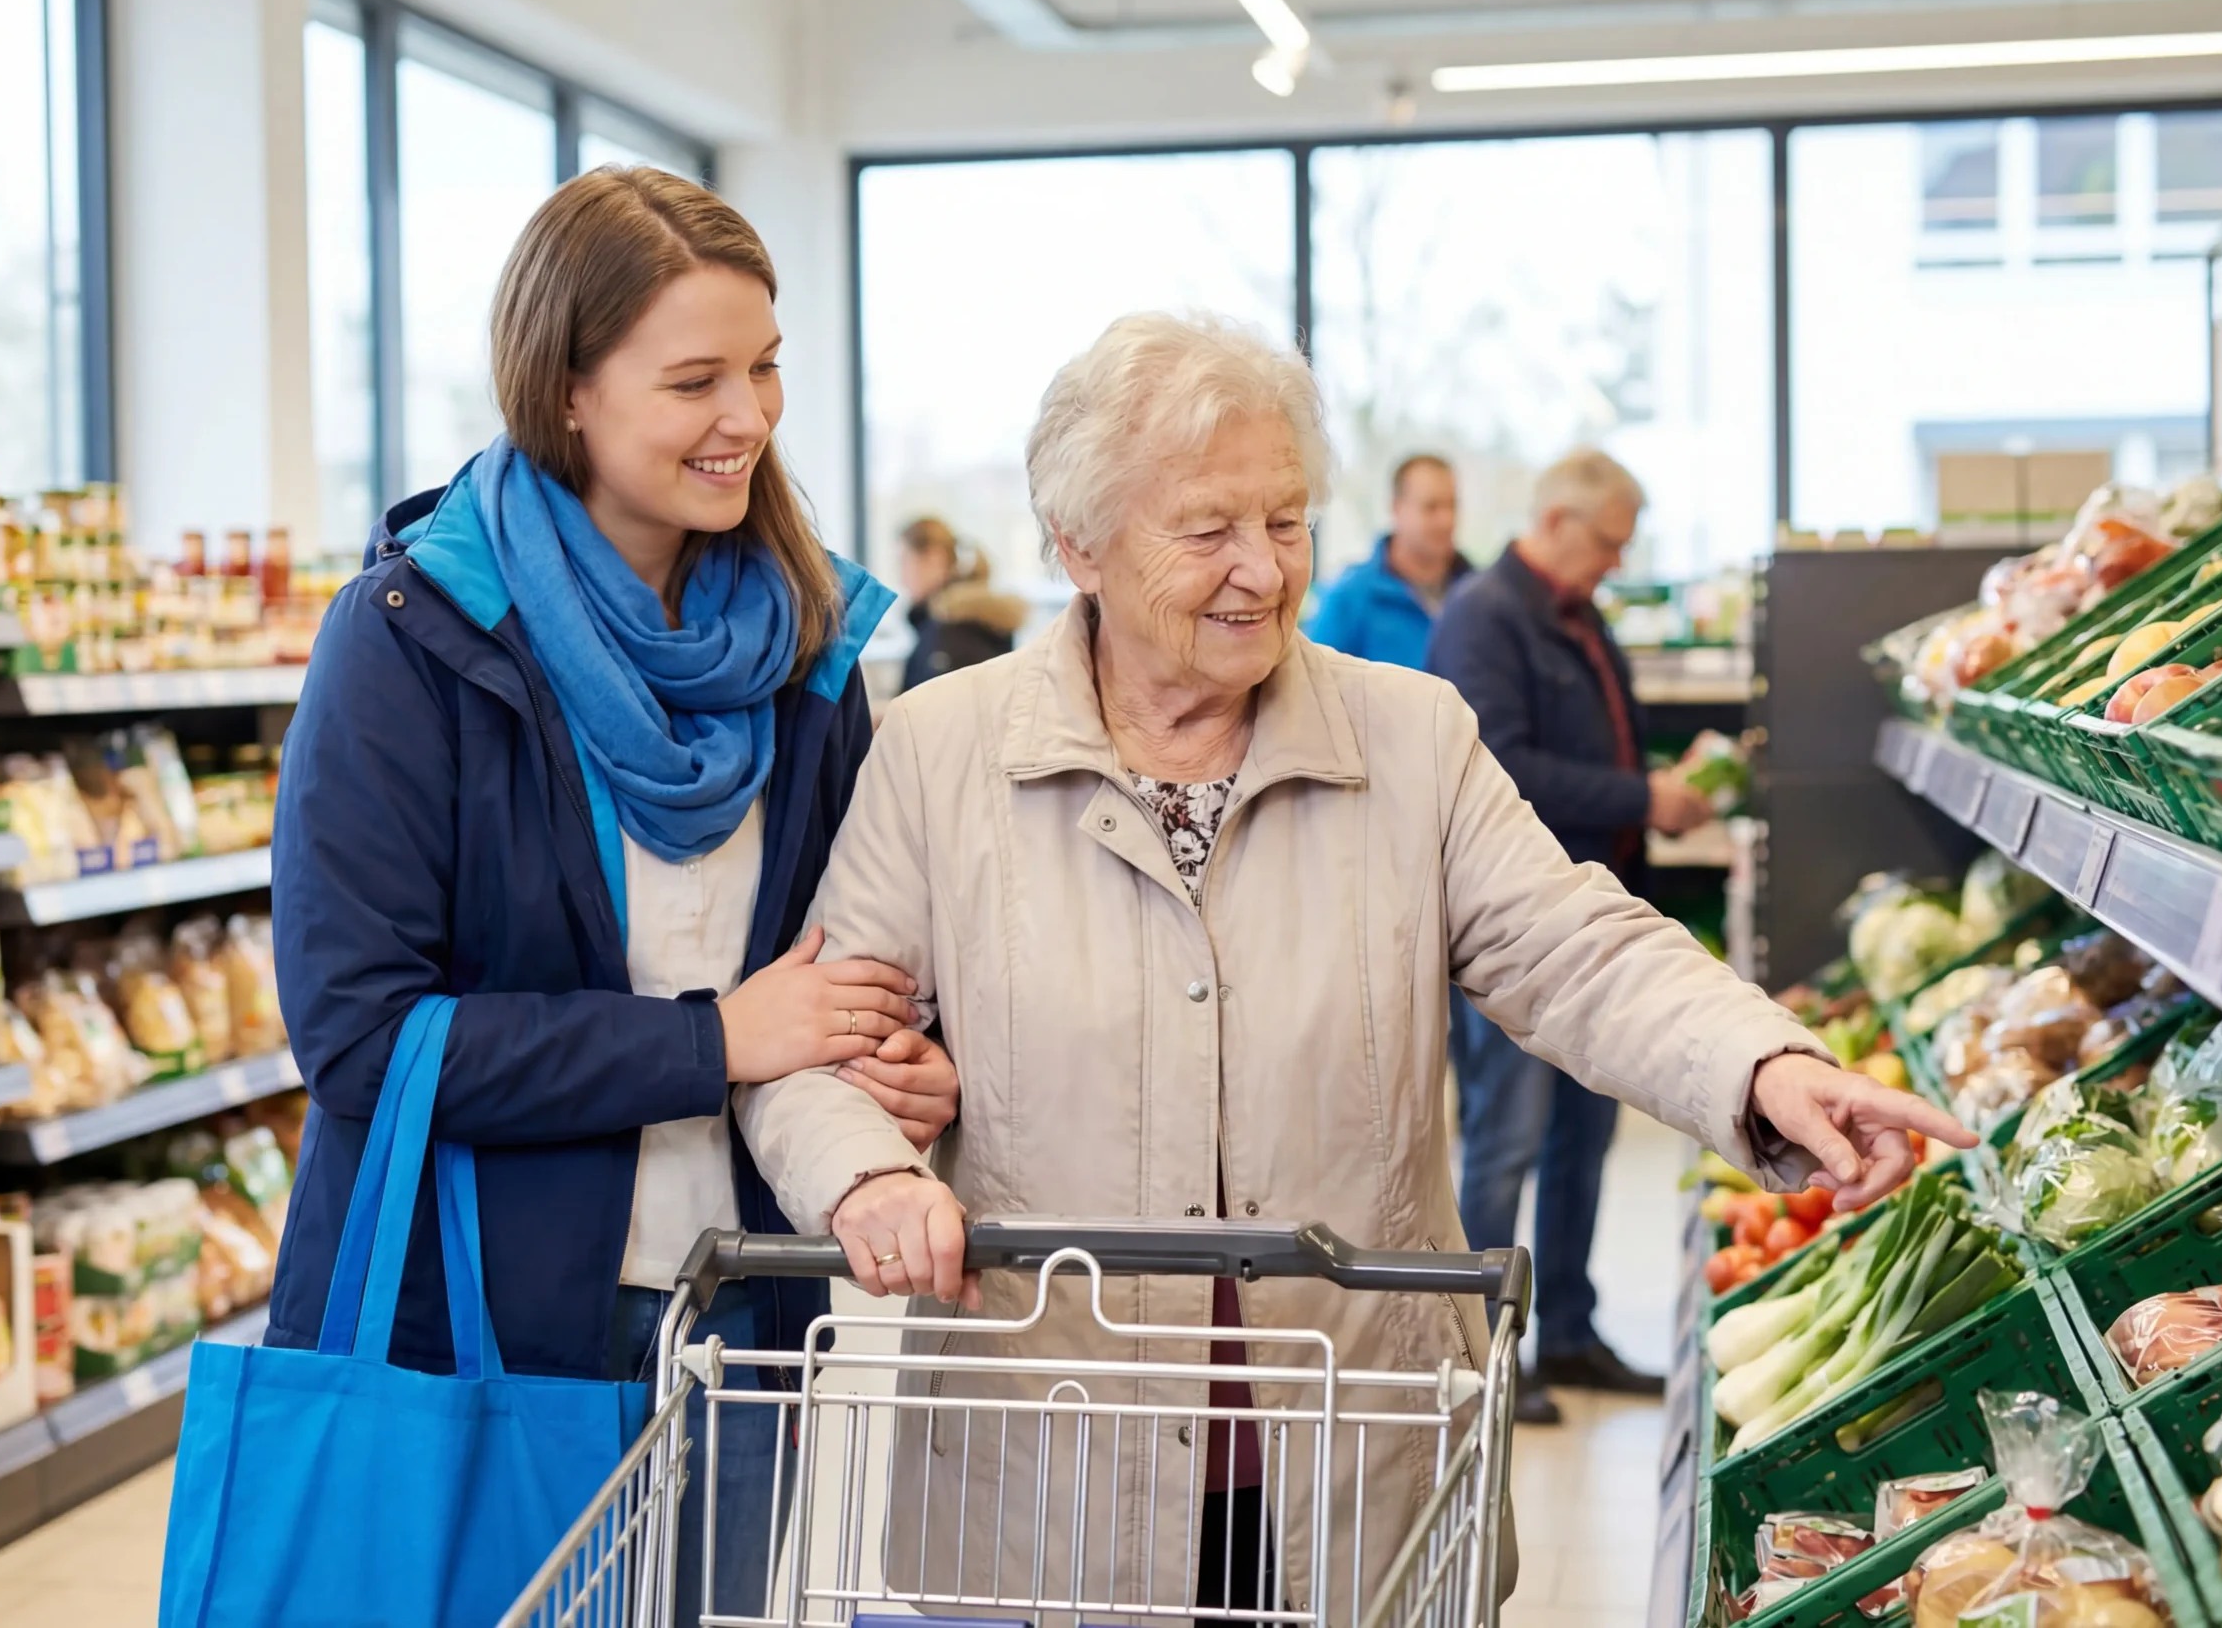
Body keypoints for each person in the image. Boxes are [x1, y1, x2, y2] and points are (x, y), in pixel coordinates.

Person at [734, 313, 1971, 1620]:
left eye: (1287, 521)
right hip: (1049, 1469)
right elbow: (813, 1045)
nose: (1261, 572)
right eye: (1208, 530)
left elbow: (1573, 945)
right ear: (1077, 544)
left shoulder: (1409, 736)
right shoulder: (940, 755)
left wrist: (1764, 1062)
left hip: (1354, 1452)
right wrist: (865, 1172)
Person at [262, 168, 959, 1628]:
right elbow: (361, 1040)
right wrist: (716, 1042)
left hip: (756, 1310)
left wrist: (898, 1051)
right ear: (567, 390)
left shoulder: (810, 647)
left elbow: (848, 963)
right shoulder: (412, 644)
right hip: (480, 1330)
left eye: (764, 369)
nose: (749, 419)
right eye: (694, 379)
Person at [1423, 448, 1714, 1424]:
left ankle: (1572, 1334)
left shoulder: (1578, 620)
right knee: (1504, 1143)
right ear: (1555, 520)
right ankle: (1481, 1354)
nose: (1613, 562)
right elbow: (1497, 768)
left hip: (1598, 924)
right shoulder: (1484, 616)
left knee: (1582, 1141)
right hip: (1518, 935)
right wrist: (1642, 796)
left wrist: (1671, 781)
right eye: (1606, 542)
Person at [1308, 452, 1472, 669]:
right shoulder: (1349, 598)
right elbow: (1314, 683)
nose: (1446, 520)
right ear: (1396, 508)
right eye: (1431, 507)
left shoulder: (1477, 596)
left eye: (1452, 506)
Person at [897, 516, 1026, 688]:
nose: (902, 578)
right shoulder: (969, 623)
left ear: (934, 559)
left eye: (904, 562)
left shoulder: (949, 634)